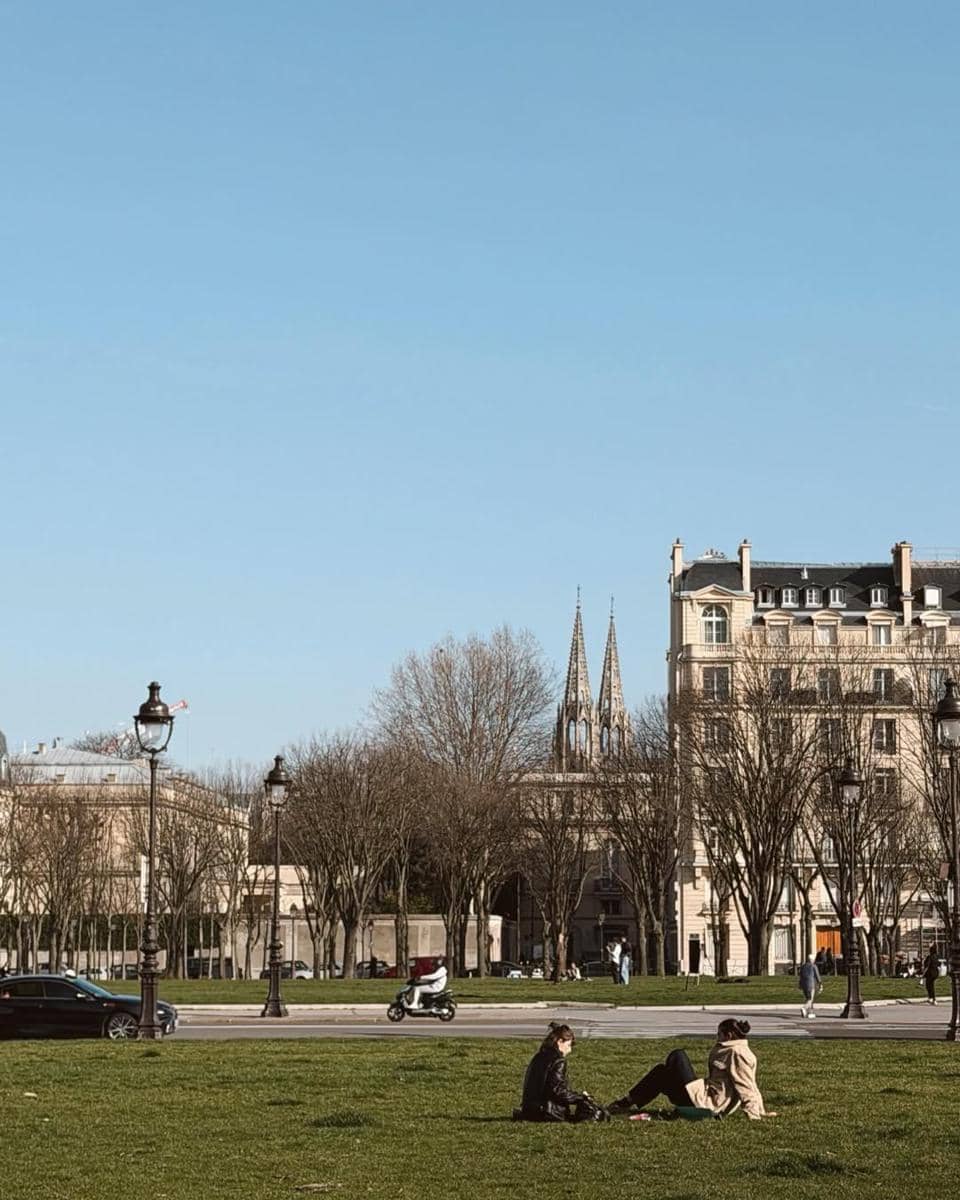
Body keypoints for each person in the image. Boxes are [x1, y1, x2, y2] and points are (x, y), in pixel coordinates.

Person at [607, 1018, 777, 1120]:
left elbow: (747, 1086)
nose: (716, 1038)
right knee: (661, 1071)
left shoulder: (737, 1053)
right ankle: (627, 1102)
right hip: (700, 1098)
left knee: (678, 1055)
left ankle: (626, 1103)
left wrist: (755, 1114)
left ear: (728, 1035)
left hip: (707, 1105)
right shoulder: (731, 1049)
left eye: (719, 1034)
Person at [514, 1023, 602, 1122]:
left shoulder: (539, 1056)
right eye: (568, 1045)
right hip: (546, 1112)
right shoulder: (558, 1061)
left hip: (529, 1109)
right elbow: (558, 1091)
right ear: (560, 1041)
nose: (569, 1050)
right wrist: (581, 1098)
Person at [798, 953, 822, 1018]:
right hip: (811, 985)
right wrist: (820, 984)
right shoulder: (813, 966)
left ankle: (810, 1013)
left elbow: (801, 976)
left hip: (804, 985)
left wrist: (800, 985)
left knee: (808, 998)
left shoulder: (803, 966)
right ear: (812, 960)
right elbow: (817, 976)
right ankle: (804, 1008)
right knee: (810, 999)